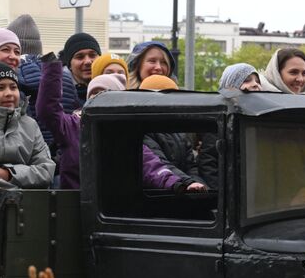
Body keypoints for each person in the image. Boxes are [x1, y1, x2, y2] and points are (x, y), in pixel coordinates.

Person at [40, 63, 201, 191]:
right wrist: (52, 66)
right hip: (73, 212)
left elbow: (152, 168)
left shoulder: (126, 135)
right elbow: (47, 109)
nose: (98, 99)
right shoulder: (71, 126)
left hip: (112, 214)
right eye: (94, 94)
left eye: (105, 94)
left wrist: (181, 184)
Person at [136, 75, 219, 189]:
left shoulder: (178, 131)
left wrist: (200, 186)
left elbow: (191, 166)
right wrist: (187, 183)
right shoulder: (144, 133)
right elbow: (159, 164)